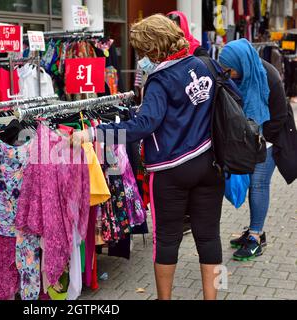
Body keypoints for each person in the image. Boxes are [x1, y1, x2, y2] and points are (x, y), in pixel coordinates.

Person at [74, 14, 235, 300]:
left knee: (167, 240)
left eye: (143, 51)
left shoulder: (159, 80)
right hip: (210, 165)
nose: (142, 58)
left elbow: (143, 126)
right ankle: (216, 296)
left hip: (172, 171)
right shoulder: (204, 64)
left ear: (153, 48)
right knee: (210, 237)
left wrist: (95, 133)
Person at [219, 39, 291, 261]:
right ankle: (255, 230)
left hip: (268, 139)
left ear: (239, 64)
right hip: (250, 138)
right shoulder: (239, 75)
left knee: (259, 183)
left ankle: (255, 237)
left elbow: (278, 117)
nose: (227, 74)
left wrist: (259, 139)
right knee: (252, 182)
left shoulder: (269, 76)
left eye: (229, 70)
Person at [166, 10, 209, 235]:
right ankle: (182, 216)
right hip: (174, 118)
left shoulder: (198, 51)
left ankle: (192, 215)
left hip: (196, 117)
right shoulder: (163, 52)